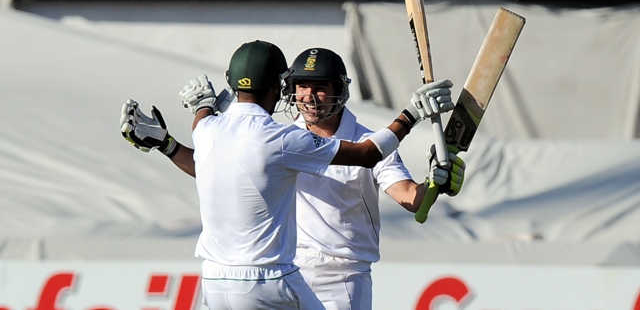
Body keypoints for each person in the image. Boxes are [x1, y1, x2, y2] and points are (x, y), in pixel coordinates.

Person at [120, 40, 457, 310]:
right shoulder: (284, 137)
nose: (309, 96)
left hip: (342, 279)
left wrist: (434, 184)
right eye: (301, 86)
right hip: (288, 273)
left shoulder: (362, 138)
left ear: (339, 89)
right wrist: (412, 114)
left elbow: (412, 198)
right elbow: (217, 169)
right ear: (287, 88)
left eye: (320, 87)